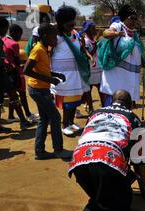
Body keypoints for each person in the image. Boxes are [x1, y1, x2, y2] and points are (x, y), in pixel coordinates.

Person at [24, 23, 73, 160]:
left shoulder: (45, 49)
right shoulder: (38, 49)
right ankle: (58, 150)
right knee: (56, 117)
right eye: (53, 36)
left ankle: (40, 151)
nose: (55, 39)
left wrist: (55, 75)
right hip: (38, 89)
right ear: (44, 36)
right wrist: (50, 80)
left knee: (44, 119)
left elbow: (41, 68)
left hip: (41, 88)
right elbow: (26, 70)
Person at [0, 16, 32, 134]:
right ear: (2, 27)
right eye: (6, 28)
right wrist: (4, 63)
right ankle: (23, 121)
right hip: (0, 73)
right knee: (14, 97)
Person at [51, 6, 90, 137]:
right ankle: (65, 125)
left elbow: (80, 47)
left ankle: (71, 122)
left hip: (75, 73)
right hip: (64, 75)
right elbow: (48, 52)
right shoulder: (55, 36)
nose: (72, 26)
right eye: (70, 24)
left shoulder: (73, 33)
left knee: (75, 100)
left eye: (73, 23)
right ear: (61, 23)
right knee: (67, 102)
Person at [98, 4, 145, 108]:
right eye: (132, 18)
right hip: (116, 73)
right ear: (124, 18)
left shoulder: (134, 33)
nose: (134, 21)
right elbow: (106, 33)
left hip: (128, 75)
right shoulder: (118, 25)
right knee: (114, 96)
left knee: (126, 98)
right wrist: (116, 34)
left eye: (136, 18)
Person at [3, 24, 37, 124]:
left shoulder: (3, 40)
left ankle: (11, 116)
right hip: (16, 73)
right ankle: (28, 114)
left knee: (12, 95)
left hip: (6, 73)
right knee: (22, 94)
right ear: (14, 33)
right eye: (19, 34)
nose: (20, 37)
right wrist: (25, 63)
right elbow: (17, 63)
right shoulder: (14, 44)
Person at [81, 21, 103, 114]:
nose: (95, 30)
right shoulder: (85, 41)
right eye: (93, 28)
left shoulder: (93, 40)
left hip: (97, 69)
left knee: (101, 90)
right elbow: (88, 55)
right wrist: (96, 44)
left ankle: (104, 107)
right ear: (88, 30)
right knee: (88, 91)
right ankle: (90, 108)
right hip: (90, 69)